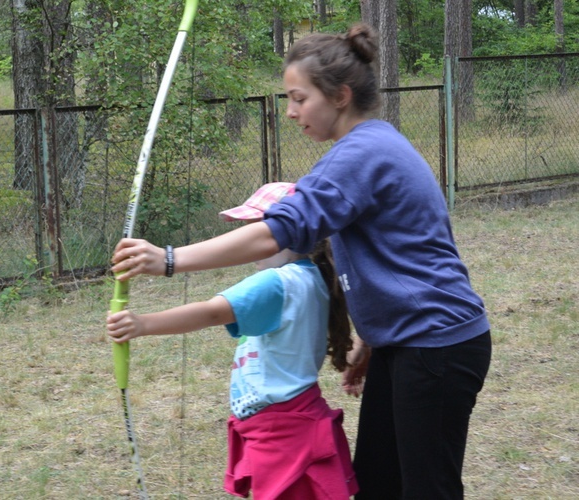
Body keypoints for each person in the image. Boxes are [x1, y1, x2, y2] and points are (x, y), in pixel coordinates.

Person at [111, 23, 492, 499]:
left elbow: (277, 231)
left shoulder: (362, 153)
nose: (290, 113)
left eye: (298, 98)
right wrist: (374, 343)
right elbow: (402, 255)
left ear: (340, 96)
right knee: (378, 484)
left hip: (436, 345)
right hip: (410, 344)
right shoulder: (372, 146)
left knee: (426, 489)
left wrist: (168, 259)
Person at [107, 182, 359, 499]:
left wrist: (141, 324)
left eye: (259, 229)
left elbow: (212, 313)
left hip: (283, 432)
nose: (250, 240)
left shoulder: (277, 283)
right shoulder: (311, 276)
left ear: (291, 236)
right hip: (291, 422)